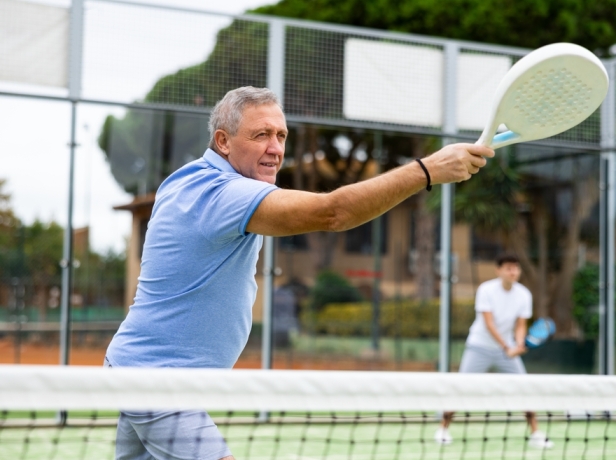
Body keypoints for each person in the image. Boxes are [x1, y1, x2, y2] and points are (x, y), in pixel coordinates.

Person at [104, 86, 494, 460]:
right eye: (260, 135)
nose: (275, 148)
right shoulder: (222, 193)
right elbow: (333, 212)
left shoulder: (187, 180)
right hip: (160, 381)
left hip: (140, 369)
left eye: (281, 135)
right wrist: (426, 170)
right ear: (223, 142)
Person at [434, 254, 554, 449]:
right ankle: (443, 430)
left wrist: (520, 343)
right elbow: (489, 324)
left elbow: (521, 324)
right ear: (499, 270)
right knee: (460, 387)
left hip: (506, 351)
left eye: (516, 268)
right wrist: (508, 347)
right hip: (479, 347)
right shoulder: (486, 290)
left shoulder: (524, 294)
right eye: (508, 268)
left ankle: (536, 434)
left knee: (525, 389)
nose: (513, 271)